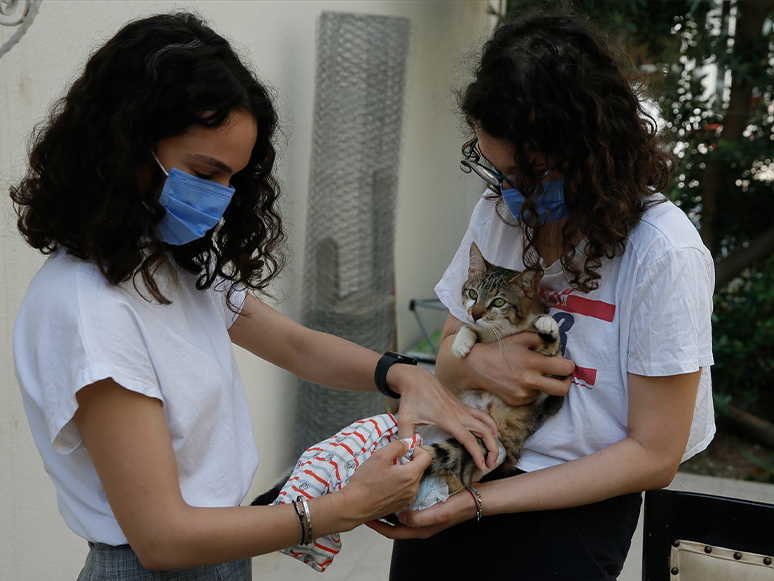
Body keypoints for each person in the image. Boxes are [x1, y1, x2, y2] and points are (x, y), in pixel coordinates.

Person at [10, 12, 500, 580]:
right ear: (125, 144)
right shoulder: (90, 310)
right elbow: (162, 538)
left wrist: (401, 374)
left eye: (233, 180)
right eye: (204, 171)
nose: (219, 199)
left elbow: (294, 345)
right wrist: (341, 509)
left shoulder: (163, 259)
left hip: (219, 555)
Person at [371, 12, 715, 580]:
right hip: (462, 464)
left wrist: (477, 504)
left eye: (530, 177)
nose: (511, 195)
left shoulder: (664, 253)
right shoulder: (500, 211)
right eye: (497, 171)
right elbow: (450, 357)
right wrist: (483, 360)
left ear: (592, 149)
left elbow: (655, 456)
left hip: (571, 513)